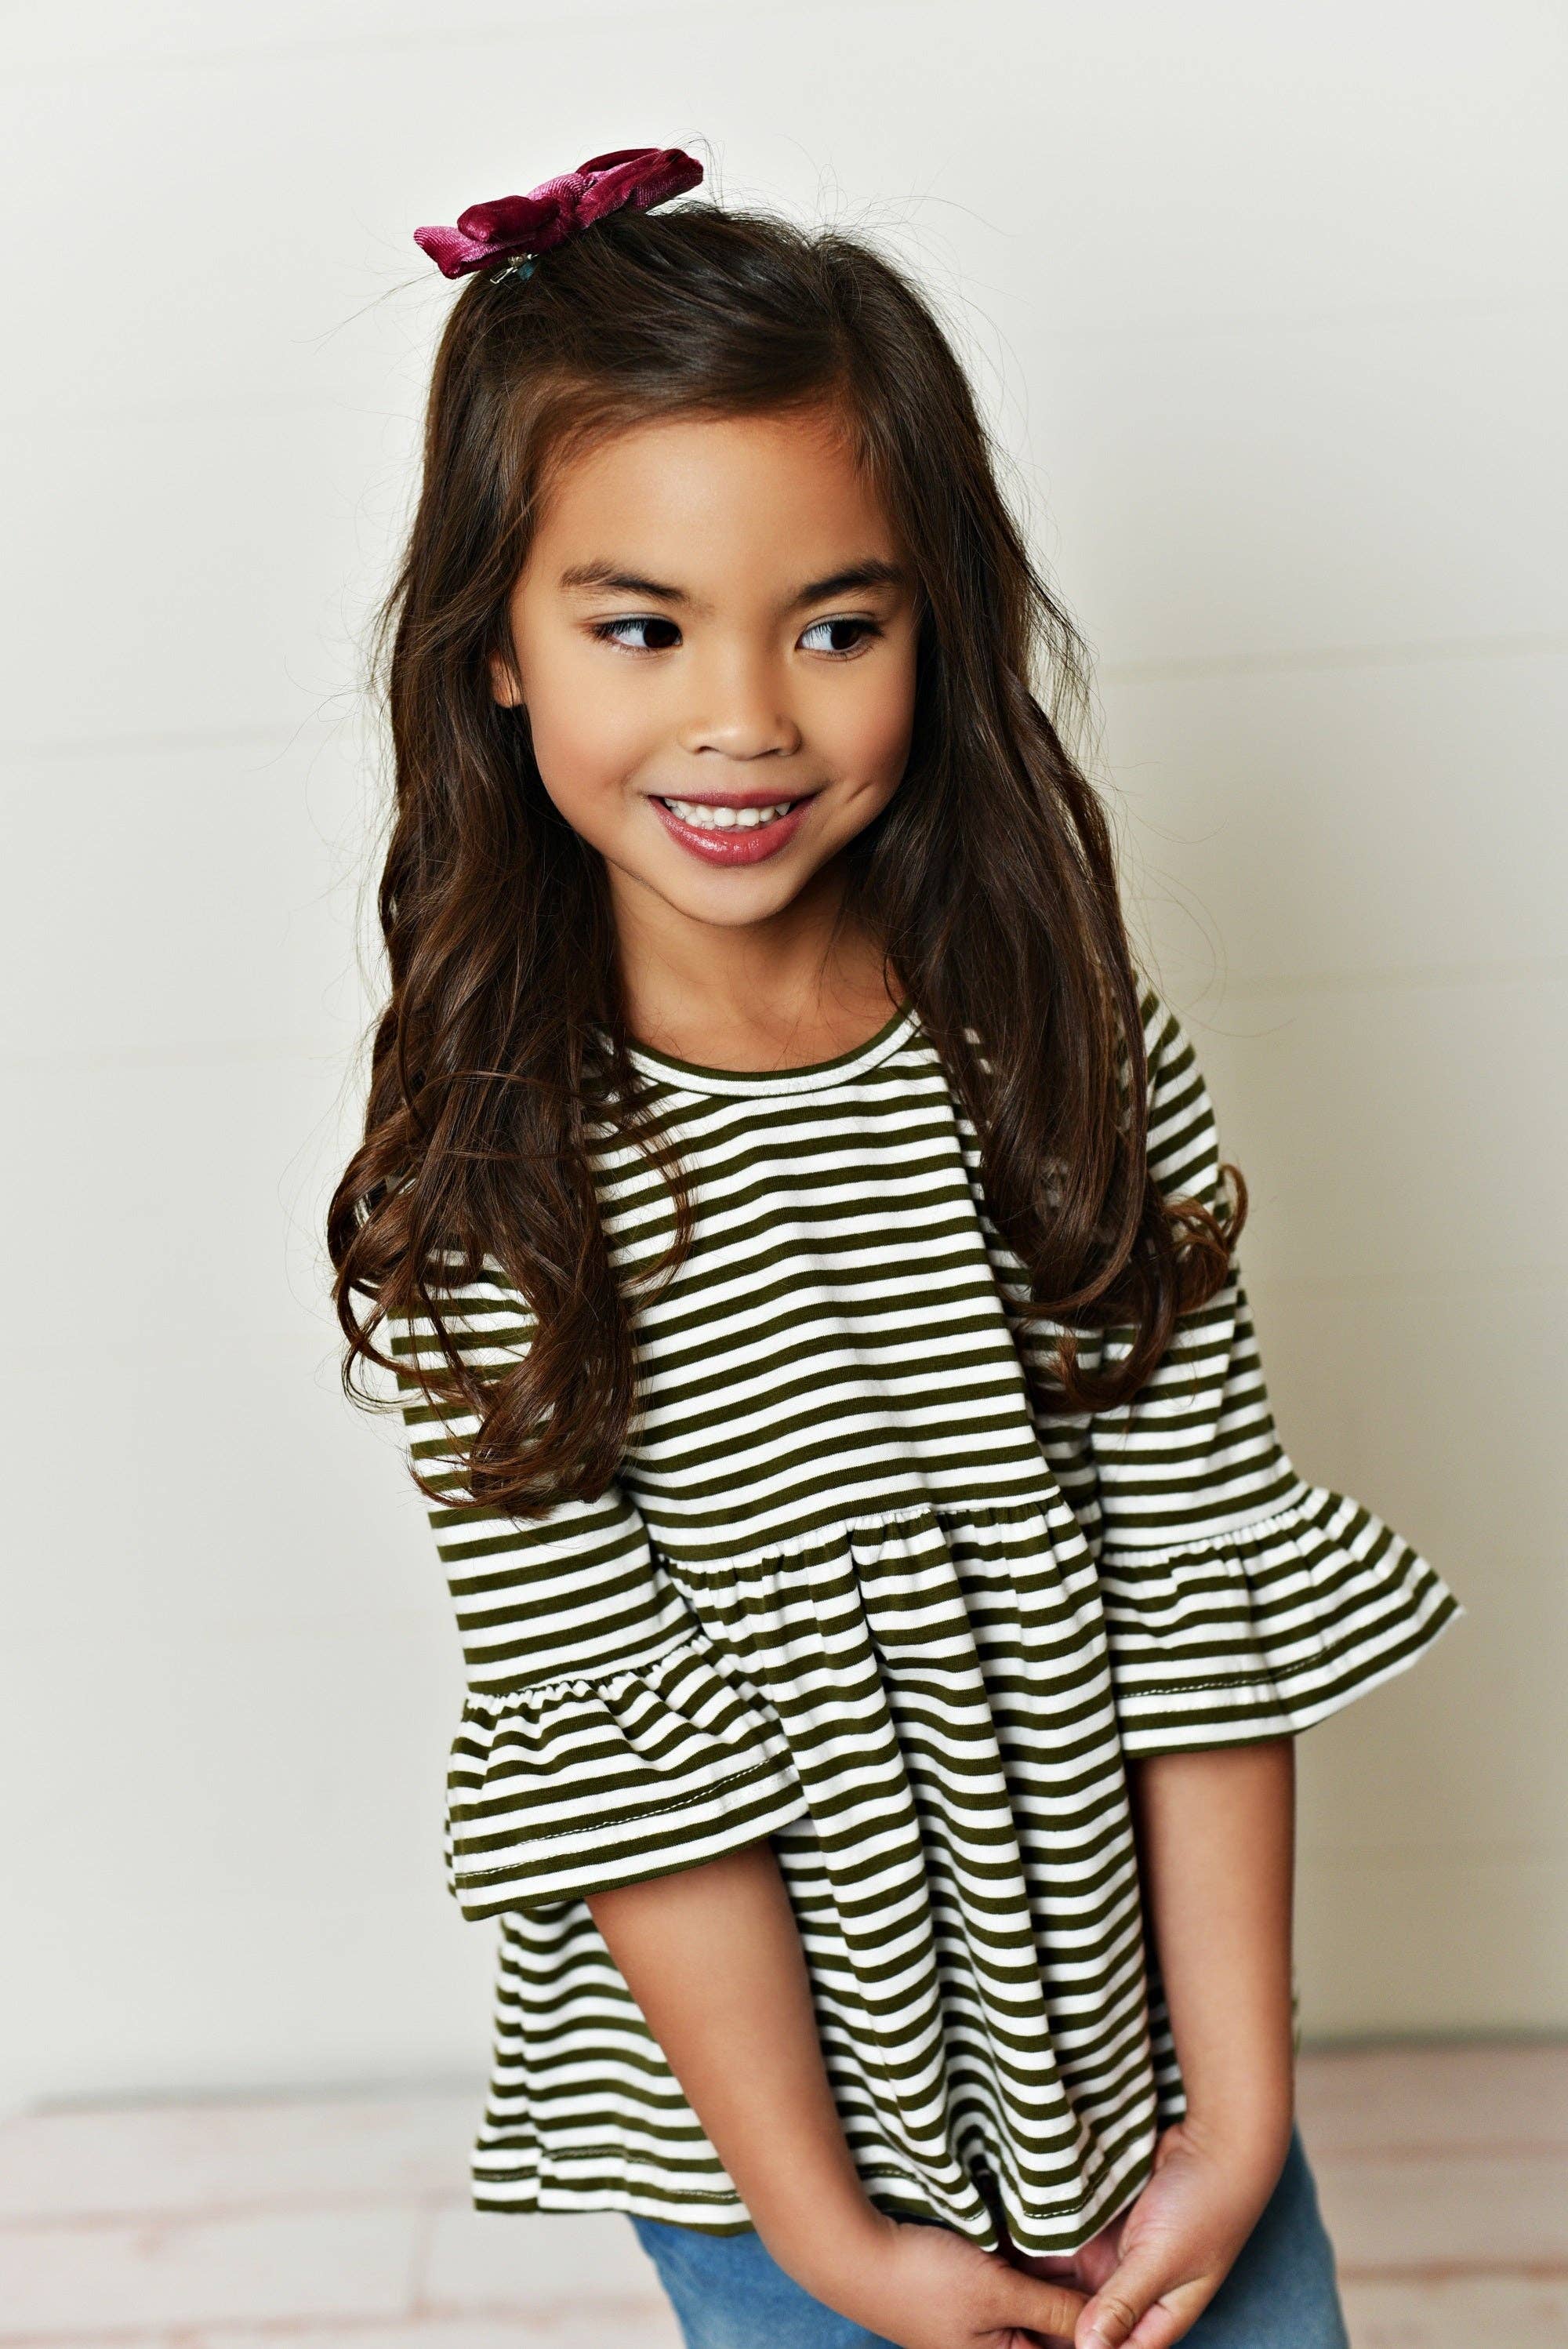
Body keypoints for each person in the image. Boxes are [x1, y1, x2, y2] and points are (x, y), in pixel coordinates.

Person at [328, 147, 1465, 2349]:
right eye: (642, 626)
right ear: (494, 653)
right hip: (777, 2164)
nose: (746, 713)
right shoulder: (499, 1174)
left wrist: (1238, 2114)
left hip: (1136, 2090)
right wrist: (834, 2239)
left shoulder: (1058, 1048)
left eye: (835, 625)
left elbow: (1201, 1574)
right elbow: (621, 1760)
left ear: (937, 631)